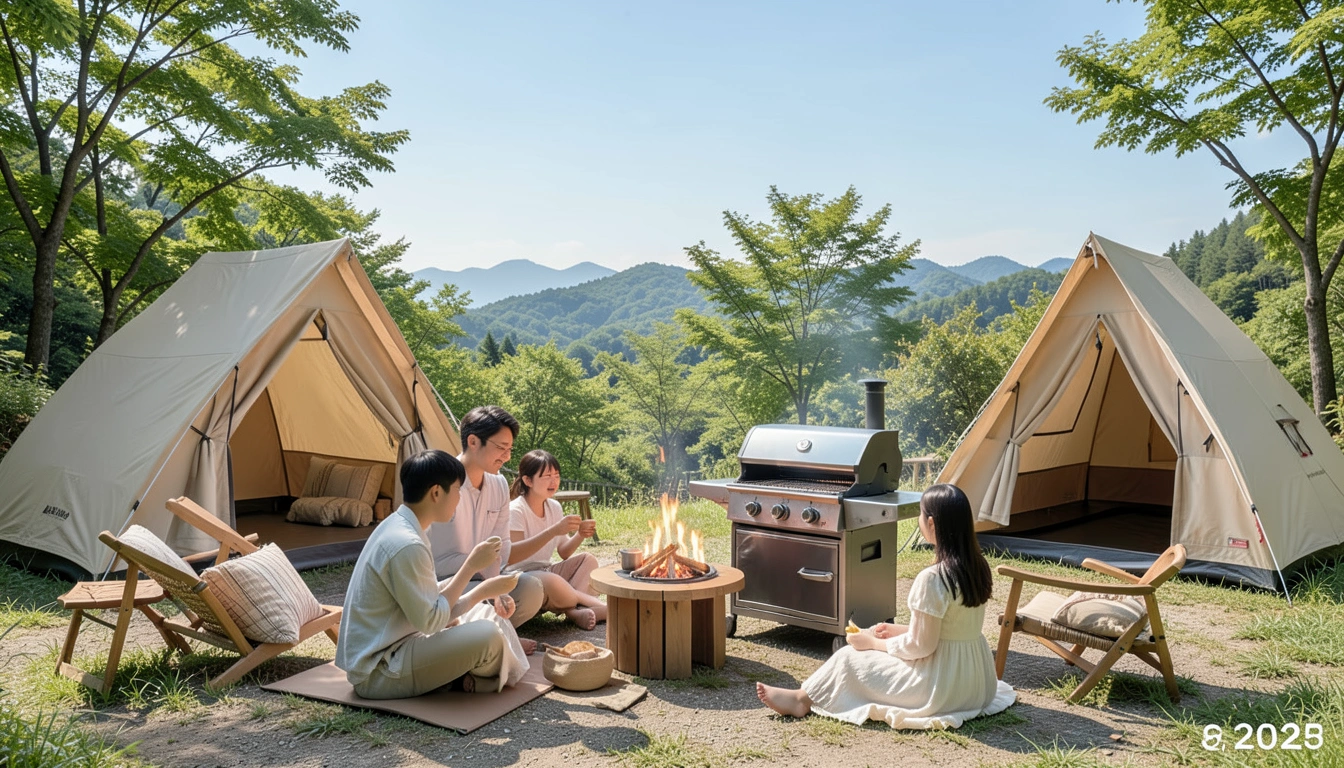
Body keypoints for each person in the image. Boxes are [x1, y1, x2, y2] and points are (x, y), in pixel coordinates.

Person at [755, 483, 1016, 729]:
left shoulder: (934, 578)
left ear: (932, 523)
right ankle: (802, 696)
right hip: (976, 685)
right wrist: (898, 631)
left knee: (848, 658)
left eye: (921, 515)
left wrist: (873, 644)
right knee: (865, 651)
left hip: (939, 688)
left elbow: (922, 646)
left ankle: (801, 700)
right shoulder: (977, 567)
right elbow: (950, 627)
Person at [336, 450, 520, 699]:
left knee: (484, 613)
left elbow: (429, 601)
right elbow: (433, 621)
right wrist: (473, 571)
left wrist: (485, 591)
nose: (458, 498)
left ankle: (464, 675)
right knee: (488, 636)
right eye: (457, 490)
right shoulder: (407, 543)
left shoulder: (401, 525)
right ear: (436, 492)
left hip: (402, 642)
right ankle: (471, 677)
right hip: (381, 669)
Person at [428, 405, 545, 651]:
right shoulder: (442, 483)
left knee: (532, 589)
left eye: (510, 449)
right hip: (444, 586)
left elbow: (500, 546)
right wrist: (481, 574)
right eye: (501, 448)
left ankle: (492, 634)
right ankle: (497, 637)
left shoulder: (499, 484)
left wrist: (494, 585)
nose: (507, 456)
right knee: (464, 599)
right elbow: (436, 563)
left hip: (484, 579)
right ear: (473, 441)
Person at [505, 450, 606, 630]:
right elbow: (514, 558)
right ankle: (603, 609)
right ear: (528, 481)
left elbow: (564, 552)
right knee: (551, 579)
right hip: (522, 578)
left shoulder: (554, 507)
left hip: (547, 573)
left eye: (557, 475)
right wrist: (553, 530)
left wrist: (580, 534)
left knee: (588, 560)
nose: (554, 481)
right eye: (547, 476)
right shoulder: (516, 510)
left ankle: (575, 613)